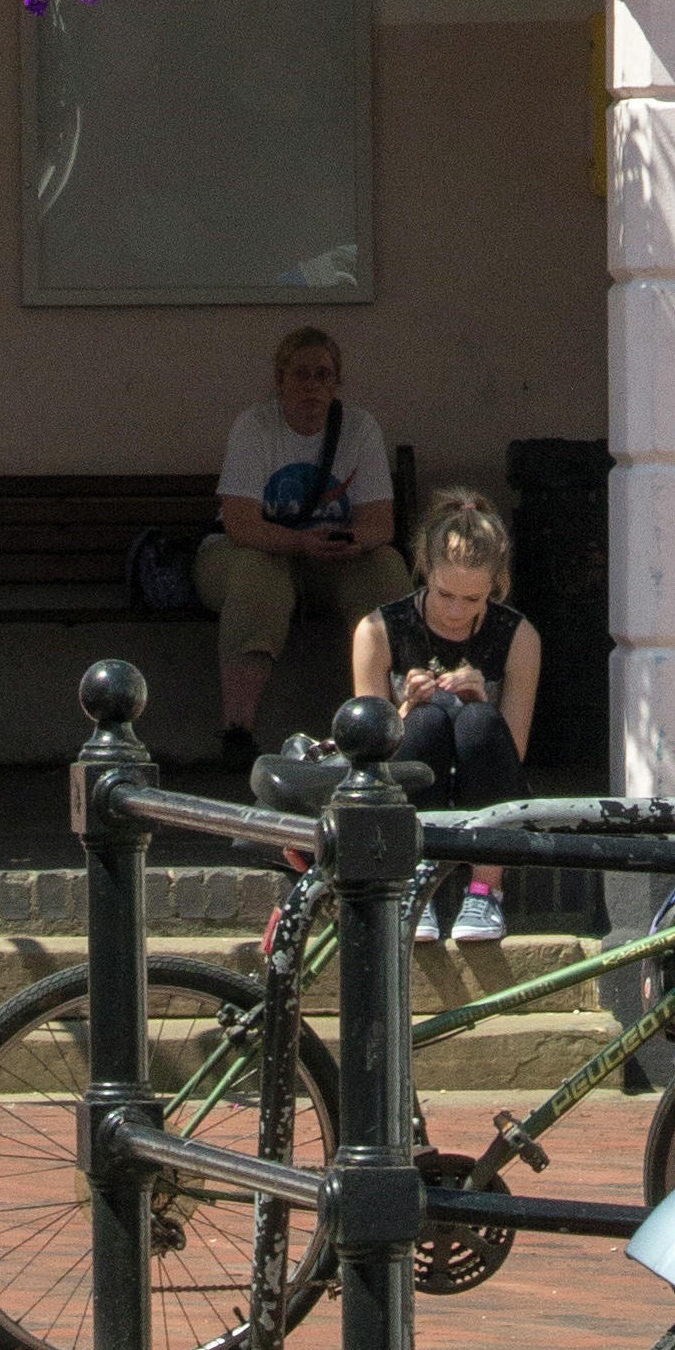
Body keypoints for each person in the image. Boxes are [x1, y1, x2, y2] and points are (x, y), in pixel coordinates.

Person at [198, 327, 411, 768]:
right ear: (280, 380)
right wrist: (299, 540)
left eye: (323, 375)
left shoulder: (358, 428)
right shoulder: (256, 425)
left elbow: (379, 522)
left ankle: (388, 724)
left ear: (337, 383)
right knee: (261, 578)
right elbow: (240, 522)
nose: (312, 385)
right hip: (248, 554)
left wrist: (351, 540)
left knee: (385, 568)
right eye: (300, 374)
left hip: (326, 559)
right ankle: (237, 730)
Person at [357, 491, 543, 952]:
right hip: (414, 780)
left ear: (495, 586)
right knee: (424, 724)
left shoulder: (517, 635)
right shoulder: (379, 630)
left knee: (478, 721)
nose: (456, 612)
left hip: (484, 782)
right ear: (424, 569)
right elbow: (364, 753)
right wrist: (403, 712)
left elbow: (512, 753)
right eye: (444, 594)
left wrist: (483, 703)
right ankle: (416, 878)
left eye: (472, 599)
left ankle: (485, 887)